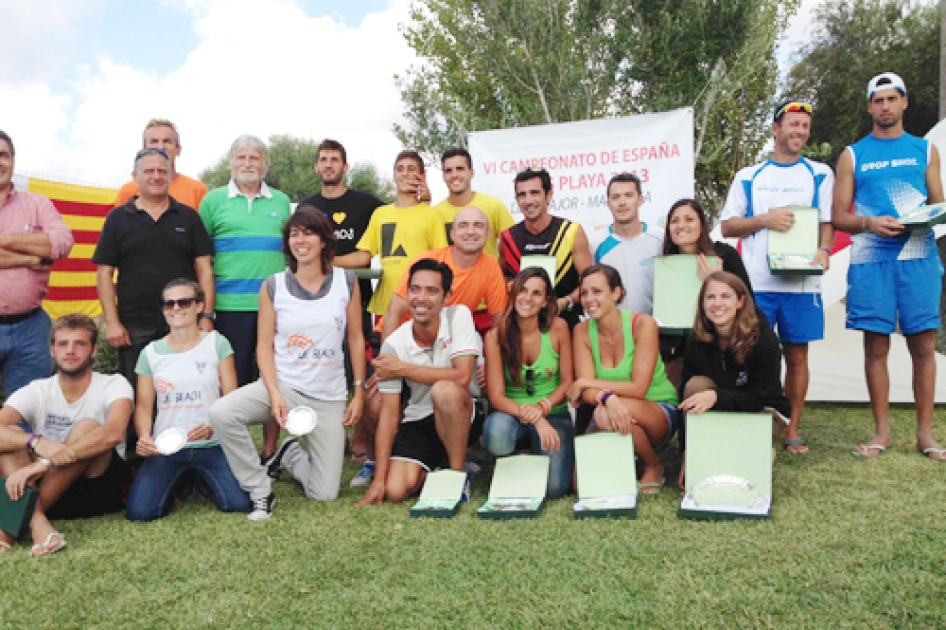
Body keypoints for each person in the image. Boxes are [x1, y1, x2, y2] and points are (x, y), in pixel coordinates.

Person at [209, 207, 365, 521]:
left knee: (325, 494)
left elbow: (356, 339)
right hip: (284, 387)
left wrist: (358, 392)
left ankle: (290, 455)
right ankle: (259, 487)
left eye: (308, 233)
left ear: (324, 241)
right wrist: (275, 393)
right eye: (294, 234)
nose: (300, 240)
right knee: (222, 412)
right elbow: (263, 346)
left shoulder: (346, 282)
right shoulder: (273, 286)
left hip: (328, 396)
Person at [348, 206, 506, 488]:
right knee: (378, 403)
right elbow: (394, 311)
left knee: (447, 391)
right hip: (406, 340)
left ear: (488, 234)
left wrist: (490, 364)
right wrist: (387, 363)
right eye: (464, 225)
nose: (471, 231)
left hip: (450, 342)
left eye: (478, 226)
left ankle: (455, 467)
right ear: (452, 232)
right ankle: (376, 463)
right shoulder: (426, 261)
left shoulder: (487, 270)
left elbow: (499, 325)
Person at [832, 72, 946, 461]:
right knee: (876, 346)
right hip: (871, 260)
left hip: (918, 257)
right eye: (878, 100)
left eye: (891, 98)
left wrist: (922, 219)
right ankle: (882, 433)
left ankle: (925, 435)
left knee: (923, 345)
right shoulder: (852, 154)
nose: (885, 106)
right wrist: (870, 223)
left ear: (904, 102)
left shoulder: (926, 150)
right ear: (869, 107)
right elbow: (837, 215)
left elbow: (938, 205)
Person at [720, 100, 835, 455]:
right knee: (748, 354)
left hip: (802, 284)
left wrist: (824, 251)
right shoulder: (749, 176)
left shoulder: (820, 174)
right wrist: (764, 220)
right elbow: (728, 225)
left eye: (804, 126)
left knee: (798, 356)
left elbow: (826, 224)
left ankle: (791, 428)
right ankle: (752, 421)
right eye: (793, 124)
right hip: (757, 285)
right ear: (775, 129)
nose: (799, 131)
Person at [0, 314, 133, 556]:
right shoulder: (38, 390)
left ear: (93, 350)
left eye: (79, 344)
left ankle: (9, 530)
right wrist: (35, 441)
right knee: (12, 436)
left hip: (95, 488)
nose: (70, 351)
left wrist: (44, 463)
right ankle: (38, 525)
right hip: (47, 494)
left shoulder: (114, 383)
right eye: (63, 344)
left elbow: (113, 433)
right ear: (52, 350)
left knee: (88, 427)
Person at [356, 259, 480, 506]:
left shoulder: (459, 315)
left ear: (446, 297)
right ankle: (435, 467)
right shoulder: (394, 343)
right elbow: (390, 415)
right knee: (395, 492)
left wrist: (402, 368)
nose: (421, 298)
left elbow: (462, 376)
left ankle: (457, 475)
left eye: (432, 291)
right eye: (415, 289)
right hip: (418, 418)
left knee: (444, 390)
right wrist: (379, 479)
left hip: (462, 411)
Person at [199, 135, 292, 462]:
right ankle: (232, 450)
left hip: (275, 307)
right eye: (241, 157)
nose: (248, 163)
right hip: (229, 309)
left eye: (255, 158)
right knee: (230, 380)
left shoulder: (281, 201)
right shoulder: (212, 201)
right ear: (231, 162)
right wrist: (205, 312)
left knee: (273, 378)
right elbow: (201, 259)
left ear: (265, 164)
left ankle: (271, 448)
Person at [93, 147, 215, 396]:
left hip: (184, 319)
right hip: (134, 325)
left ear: (170, 176)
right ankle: (139, 437)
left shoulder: (189, 217)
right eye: (149, 171)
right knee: (138, 394)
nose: (156, 176)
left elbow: (204, 270)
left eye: (162, 171)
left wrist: (207, 316)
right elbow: (104, 274)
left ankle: (187, 436)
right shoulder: (117, 219)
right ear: (135, 176)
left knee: (185, 391)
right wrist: (112, 322)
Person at [126, 279, 251, 521]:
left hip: (214, 444)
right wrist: (144, 437)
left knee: (238, 503)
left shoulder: (217, 343)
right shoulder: (150, 353)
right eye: (168, 304)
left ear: (199, 306)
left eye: (183, 302)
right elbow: (143, 406)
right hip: (167, 446)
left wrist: (216, 426)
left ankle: (196, 479)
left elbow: (232, 399)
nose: (176, 308)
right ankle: (185, 480)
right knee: (140, 513)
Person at [567, 264, 679, 494]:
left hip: (657, 410)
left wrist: (589, 386)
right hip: (609, 409)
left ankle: (653, 464)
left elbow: (638, 388)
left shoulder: (643, 324)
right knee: (581, 485)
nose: (589, 299)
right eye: (584, 293)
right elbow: (585, 393)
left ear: (616, 293)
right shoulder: (581, 331)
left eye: (597, 291)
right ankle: (628, 456)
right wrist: (605, 396)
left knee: (602, 413)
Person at [677, 271, 790, 488]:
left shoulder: (763, 339)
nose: (717, 304)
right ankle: (708, 453)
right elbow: (686, 397)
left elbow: (763, 396)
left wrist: (717, 397)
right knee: (695, 386)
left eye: (725, 296)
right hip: (720, 408)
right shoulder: (697, 338)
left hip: (763, 411)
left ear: (740, 301)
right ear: (702, 304)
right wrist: (686, 452)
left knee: (739, 472)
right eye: (710, 297)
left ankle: (756, 449)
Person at [482, 267, 574, 499]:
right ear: (513, 293)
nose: (527, 298)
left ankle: (534, 453)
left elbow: (567, 383)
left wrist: (542, 409)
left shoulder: (558, 328)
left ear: (545, 302)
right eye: (522, 290)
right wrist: (534, 417)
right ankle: (516, 458)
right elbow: (496, 396)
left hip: (553, 413)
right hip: (511, 414)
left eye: (536, 294)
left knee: (554, 489)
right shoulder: (495, 336)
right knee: (496, 433)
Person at [0, 130, 75, 398]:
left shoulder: (37, 204)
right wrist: (29, 256)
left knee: (26, 414)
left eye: (3, 155)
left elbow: (63, 242)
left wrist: (6, 240)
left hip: (30, 330)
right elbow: (46, 246)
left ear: (13, 161)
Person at [335, 150, 445, 321]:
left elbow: (441, 260)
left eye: (411, 169)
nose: (405, 174)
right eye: (400, 169)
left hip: (419, 307)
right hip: (385, 305)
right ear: (394, 175)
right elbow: (365, 255)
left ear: (422, 175)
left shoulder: (432, 215)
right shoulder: (380, 214)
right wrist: (329, 261)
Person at [660, 198, 753, 384]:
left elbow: (747, 300)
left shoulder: (724, 254)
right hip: (681, 348)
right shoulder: (665, 264)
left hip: (721, 346)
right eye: (675, 221)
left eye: (689, 219)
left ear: (701, 225)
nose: (681, 226)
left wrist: (718, 280)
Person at [300, 139, 383, 340]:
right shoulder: (306, 207)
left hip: (357, 296)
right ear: (316, 167)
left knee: (359, 359)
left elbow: (401, 215)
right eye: (324, 160)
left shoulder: (367, 203)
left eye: (335, 160)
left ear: (345, 167)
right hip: (316, 297)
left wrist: (423, 200)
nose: (329, 165)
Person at [499, 167, 592, 329]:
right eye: (522, 195)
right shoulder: (507, 238)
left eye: (535, 193)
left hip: (566, 322)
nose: (528, 200)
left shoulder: (571, 232)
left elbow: (590, 282)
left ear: (548, 195)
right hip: (524, 326)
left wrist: (565, 301)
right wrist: (509, 285)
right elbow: (503, 278)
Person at [590, 172, 663, 315]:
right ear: (608, 204)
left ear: (640, 200)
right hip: (611, 331)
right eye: (615, 197)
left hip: (654, 330)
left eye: (629, 195)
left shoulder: (661, 239)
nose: (622, 202)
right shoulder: (595, 243)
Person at [434, 148, 514, 256]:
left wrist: (499, 269)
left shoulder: (493, 205)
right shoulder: (435, 213)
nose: (454, 175)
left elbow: (512, 244)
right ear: (443, 176)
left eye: (460, 169)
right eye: (449, 170)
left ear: (471, 173)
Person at [114, 119, 208, 210]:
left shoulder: (197, 190)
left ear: (178, 150)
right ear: (144, 150)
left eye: (167, 141)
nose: (160, 147)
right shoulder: (127, 191)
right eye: (154, 141)